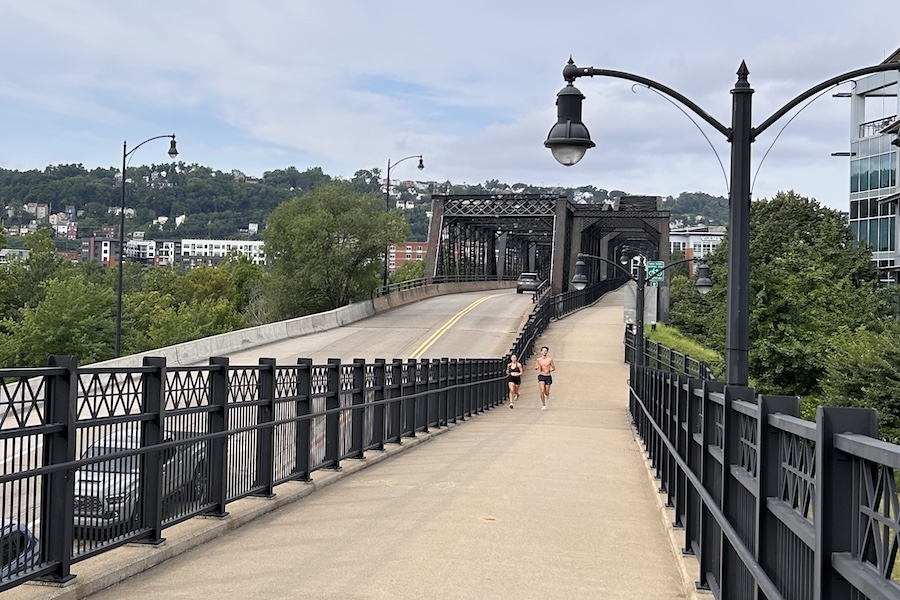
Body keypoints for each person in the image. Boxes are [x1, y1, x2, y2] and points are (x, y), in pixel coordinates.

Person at [534, 345, 555, 410]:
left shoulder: (550, 360)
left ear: (547, 352)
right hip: (541, 375)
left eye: (545, 351)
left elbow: (553, 367)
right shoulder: (538, 360)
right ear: (541, 352)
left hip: (548, 376)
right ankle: (543, 404)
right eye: (543, 351)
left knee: (546, 391)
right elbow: (536, 366)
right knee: (542, 390)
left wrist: (550, 370)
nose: (544, 352)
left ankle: (547, 394)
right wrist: (536, 367)